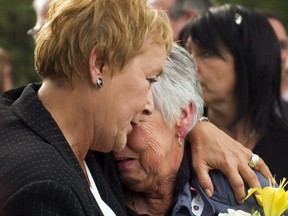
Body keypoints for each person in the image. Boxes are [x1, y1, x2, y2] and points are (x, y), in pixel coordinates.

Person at [0, 0, 173, 215]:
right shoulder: (41, 188)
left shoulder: (87, 143)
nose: (149, 104)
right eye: (150, 79)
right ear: (98, 65)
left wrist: (199, 128)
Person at [113, 43, 271, 216]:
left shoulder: (239, 188)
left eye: (134, 119)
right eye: (112, 118)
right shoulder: (93, 178)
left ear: (182, 116)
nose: (117, 137)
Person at [182, 4, 288, 181]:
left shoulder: (283, 147)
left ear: (249, 63)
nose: (190, 65)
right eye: (188, 51)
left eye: (206, 53)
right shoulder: (179, 138)